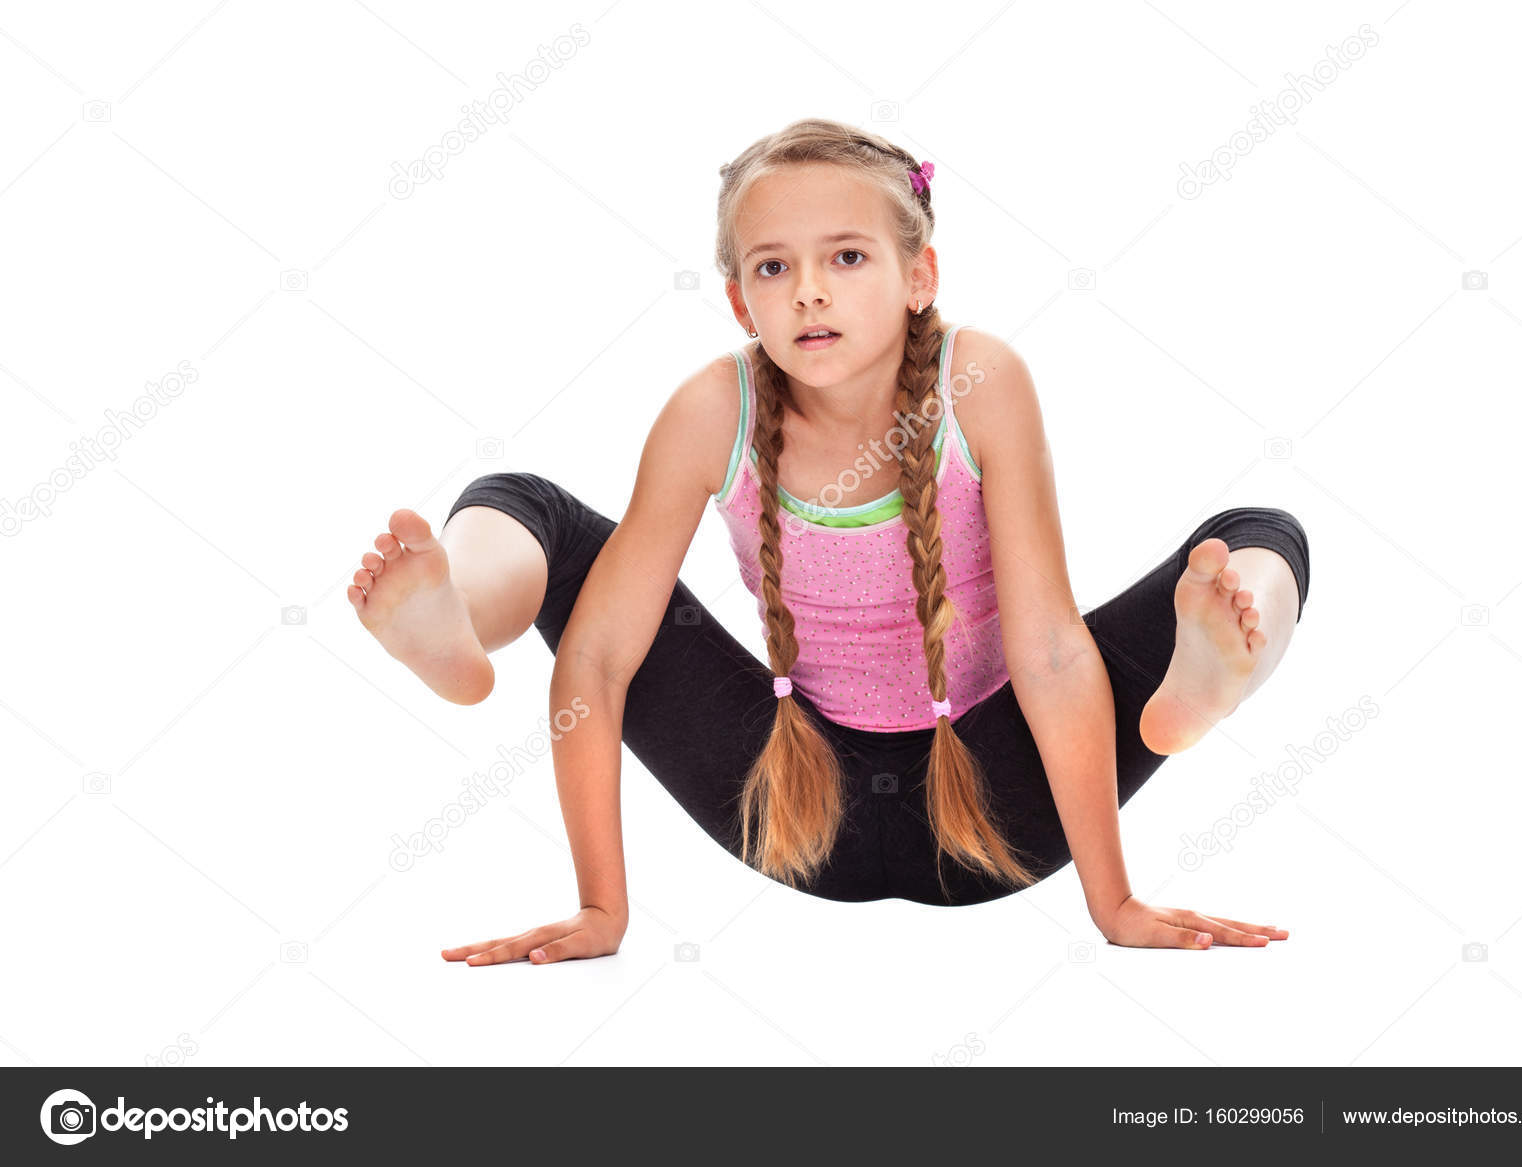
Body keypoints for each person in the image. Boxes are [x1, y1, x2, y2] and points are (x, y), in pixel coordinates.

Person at [346, 118, 1310, 966]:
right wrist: (602, 907)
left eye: (846, 257)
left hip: (997, 802)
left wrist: (1117, 902)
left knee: (1251, 539)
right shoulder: (713, 409)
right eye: (773, 266)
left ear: (919, 275)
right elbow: (596, 654)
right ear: (739, 302)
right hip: (792, 798)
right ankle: (460, 623)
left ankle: (1211, 675)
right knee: (527, 503)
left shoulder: (977, 383)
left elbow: (1050, 650)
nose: (809, 291)